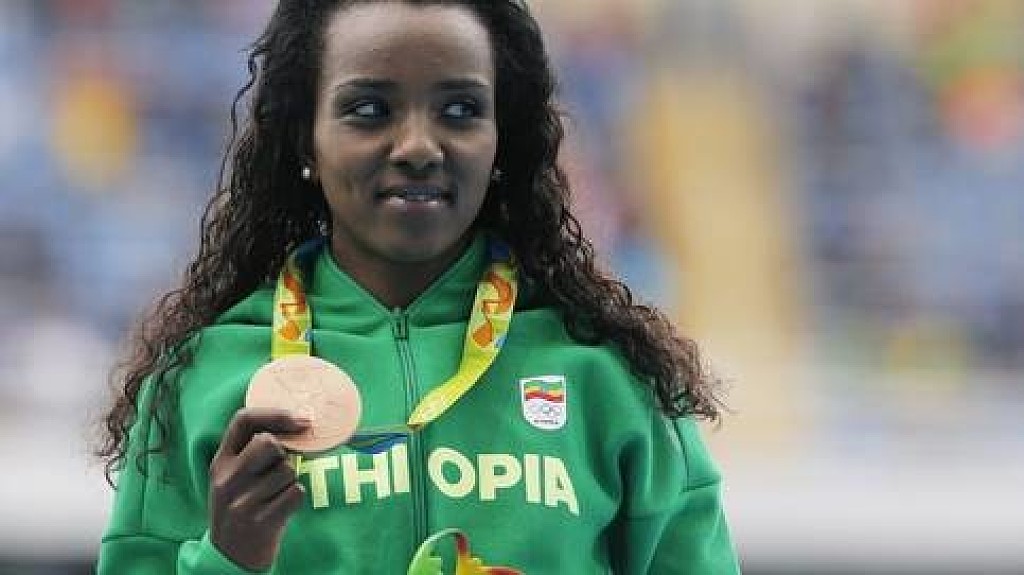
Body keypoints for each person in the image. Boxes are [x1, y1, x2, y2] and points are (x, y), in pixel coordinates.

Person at [96, 1, 740, 573]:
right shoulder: (202, 382)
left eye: (460, 110)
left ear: (501, 140)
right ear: (306, 139)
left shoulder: (608, 377)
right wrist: (227, 560)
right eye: (369, 110)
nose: (418, 146)